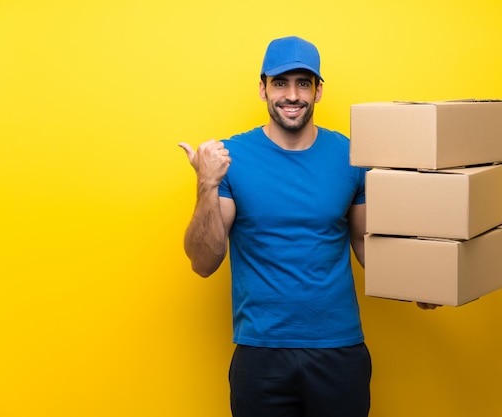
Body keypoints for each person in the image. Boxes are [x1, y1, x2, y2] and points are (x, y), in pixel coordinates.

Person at [179, 36, 437, 417]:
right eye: (280, 83)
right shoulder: (232, 159)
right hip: (261, 354)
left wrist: (418, 286)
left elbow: (367, 245)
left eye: (304, 83)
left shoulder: (351, 156)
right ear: (262, 88)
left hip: (339, 350)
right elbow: (204, 262)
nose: (292, 95)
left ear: (318, 91)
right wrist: (207, 183)